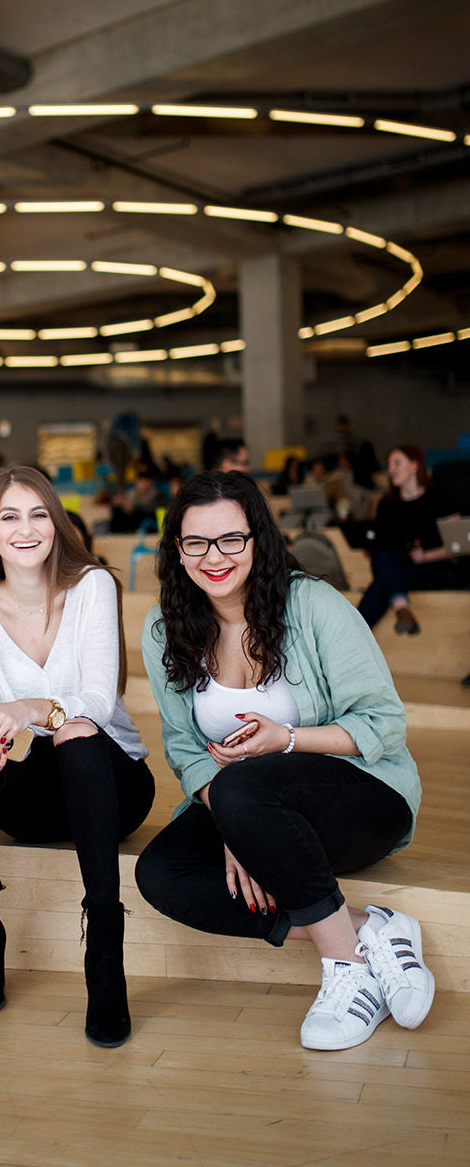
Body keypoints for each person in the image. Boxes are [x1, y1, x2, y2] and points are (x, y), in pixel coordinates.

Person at [135, 470, 433, 1052]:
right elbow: (185, 749)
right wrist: (234, 826)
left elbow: (384, 724)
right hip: (250, 810)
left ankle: (346, 972)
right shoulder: (162, 628)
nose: (213, 557)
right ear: (177, 549)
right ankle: (370, 930)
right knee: (161, 873)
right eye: (196, 542)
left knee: (244, 788)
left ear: (258, 540)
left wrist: (287, 740)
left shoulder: (314, 604)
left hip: (361, 799)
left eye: (231, 540)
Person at [0, 466, 154, 1047]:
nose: (26, 528)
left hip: (110, 781)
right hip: (32, 799)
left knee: (77, 730)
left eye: (39, 514)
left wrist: (34, 708)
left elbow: (96, 698)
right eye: (9, 516)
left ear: (57, 523)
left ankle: (105, 953)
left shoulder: (92, 586)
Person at [358, 444, 457, 636]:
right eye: (389, 465)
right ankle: (401, 606)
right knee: (382, 556)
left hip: (430, 568)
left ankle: (352, 636)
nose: (391, 470)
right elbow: (382, 540)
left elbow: (459, 544)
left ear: (414, 465)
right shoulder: (386, 504)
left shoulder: (439, 497)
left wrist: (426, 556)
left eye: (397, 463)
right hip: (397, 566)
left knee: (381, 583)